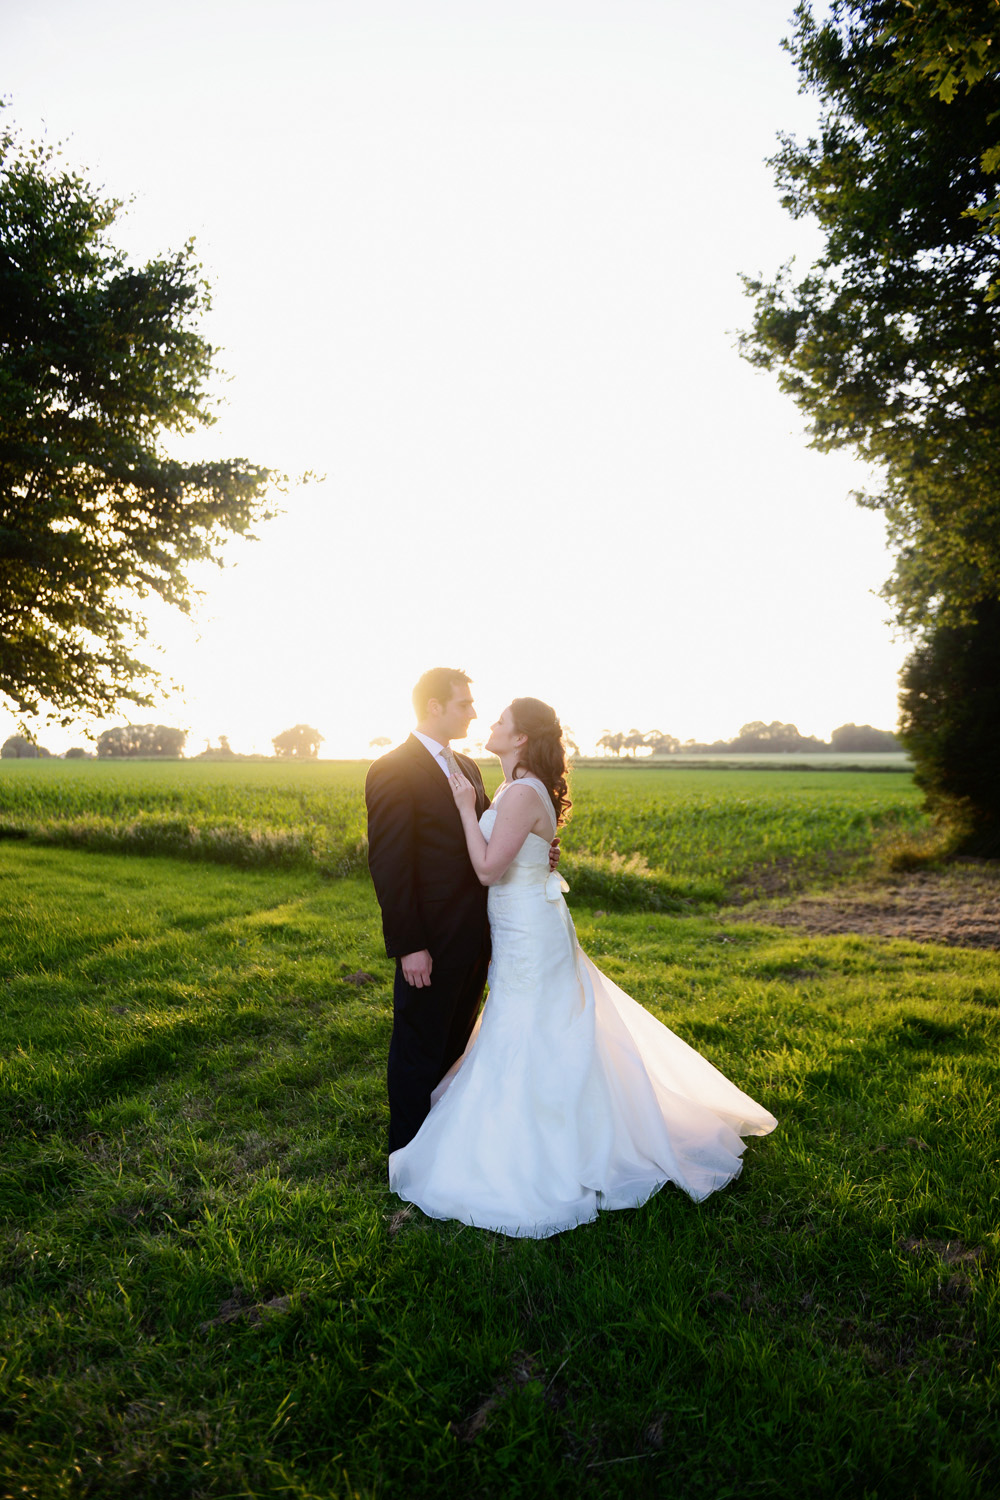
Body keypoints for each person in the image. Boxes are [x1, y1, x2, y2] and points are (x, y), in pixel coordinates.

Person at [389, 696, 778, 1238]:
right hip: (520, 923)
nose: (489, 724)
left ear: (521, 738)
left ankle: (550, 1140)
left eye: (501, 721)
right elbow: (514, 851)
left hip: (527, 927)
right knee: (524, 1021)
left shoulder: (521, 791)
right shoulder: (511, 787)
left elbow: (483, 870)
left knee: (530, 1026)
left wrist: (461, 807)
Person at [365, 668, 491, 1152]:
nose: (474, 712)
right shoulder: (393, 768)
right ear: (434, 706)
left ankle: (444, 1146)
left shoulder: (469, 767)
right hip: (430, 940)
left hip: (474, 934)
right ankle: (408, 1155)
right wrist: (410, 944)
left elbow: (482, 840)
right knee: (419, 1047)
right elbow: (389, 862)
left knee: (457, 1043)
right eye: (464, 704)